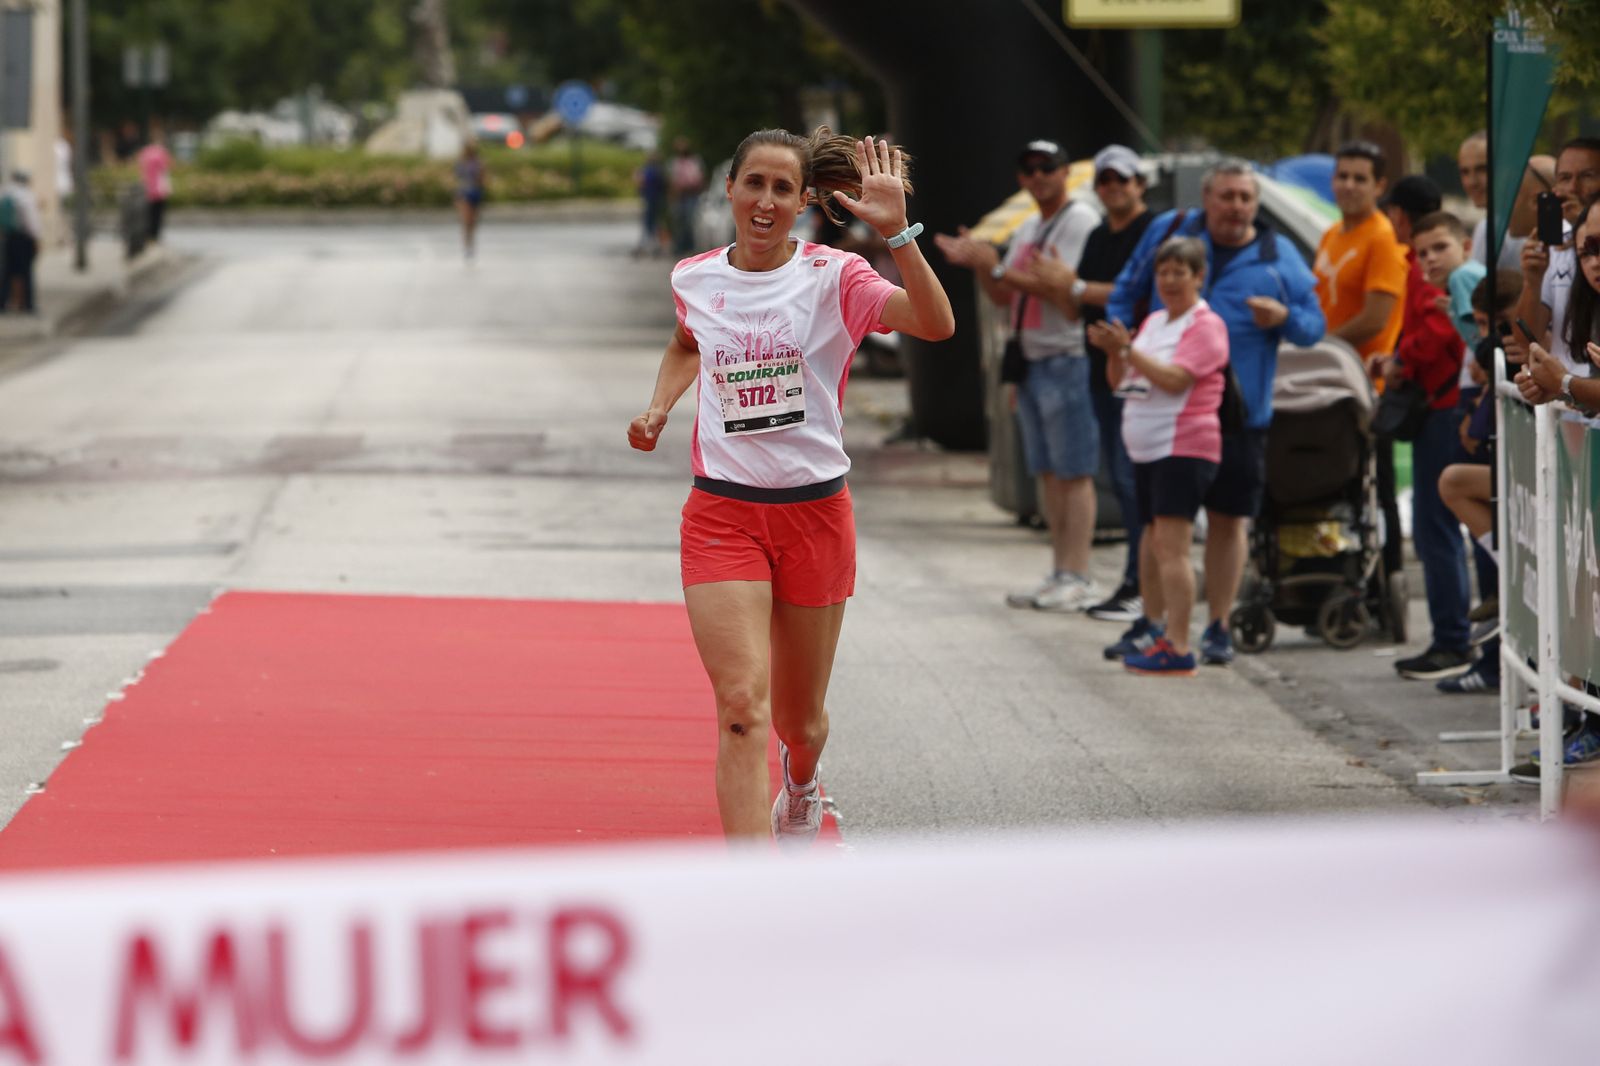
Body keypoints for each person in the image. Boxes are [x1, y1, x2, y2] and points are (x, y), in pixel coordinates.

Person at [626, 129, 954, 845]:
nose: (766, 201)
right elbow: (688, 343)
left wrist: (902, 236)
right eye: (754, 184)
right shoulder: (695, 278)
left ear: (806, 200)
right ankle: (754, 894)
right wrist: (660, 406)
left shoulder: (835, 277)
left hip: (814, 516)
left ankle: (801, 783)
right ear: (730, 190)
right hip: (722, 514)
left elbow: (935, 323)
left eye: (783, 188)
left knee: (798, 723)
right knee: (741, 704)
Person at [1105, 158, 1325, 666]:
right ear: (1206, 198)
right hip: (1164, 412)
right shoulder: (1173, 230)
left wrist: (1285, 316)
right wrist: (1120, 346)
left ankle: (1219, 626)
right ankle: (1153, 625)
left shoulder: (1278, 254)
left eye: (1246, 198)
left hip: (1239, 415)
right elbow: (1125, 290)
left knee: (1228, 521)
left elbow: (1314, 328)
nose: (1237, 207)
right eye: (1227, 196)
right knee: (1159, 526)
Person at [933, 140, 1102, 612]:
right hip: (1032, 357)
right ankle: (1060, 571)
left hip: (1067, 356)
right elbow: (1006, 294)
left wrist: (999, 265)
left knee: (1074, 472)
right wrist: (982, 266)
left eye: (1047, 166)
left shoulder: (1081, 220)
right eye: (1028, 169)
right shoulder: (1030, 224)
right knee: (1048, 473)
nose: (1038, 175)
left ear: (1065, 171)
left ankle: (1079, 573)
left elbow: (1061, 287)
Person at [1020, 143, 1155, 623]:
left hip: (1131, 368)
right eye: (1106, 180)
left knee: (1114, 478)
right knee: (1100, 475)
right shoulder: (1099, 233)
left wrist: (1068, 284)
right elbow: (1079, 302)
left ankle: (1130, 586)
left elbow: (1134, 292)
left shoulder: (1147, 229)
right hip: (1100, 366)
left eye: (1123, 179)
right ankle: (1094, 578)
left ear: (1140, 183)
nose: (1114, 187)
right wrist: (1064, 286)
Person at [1087, 237, 1228, 675]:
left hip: (1182, 447)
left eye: (1179, 272)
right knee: (1149, 543)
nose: (1168, 281)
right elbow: (1121, 383)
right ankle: (1153, 626)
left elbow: (1173, 379)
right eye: (1163, 272)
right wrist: (1116, 354)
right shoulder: (1155, 323)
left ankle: (1179, 643)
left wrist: (1128, 351)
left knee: (1172, 547)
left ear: (1198, 277)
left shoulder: (1206, 325)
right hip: (1149, 449)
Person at [1377, 176, 1473, 681]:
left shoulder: (1434, 273)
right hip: (1444, 404)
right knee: (1446, 528)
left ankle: (1452, 640)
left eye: (1442, 249)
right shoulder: (1429, 269)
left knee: (1437, 528)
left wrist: (1399, 360)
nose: (1431, 257)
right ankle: (1457, 637)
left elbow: (1436, 334)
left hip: (1444, 405)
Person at [1436, 271, 1522, 695]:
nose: (1488, 335)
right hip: (1514, 477)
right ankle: (1510, 574)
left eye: (1497, 324)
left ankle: (1512, 575)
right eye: (1482, 325)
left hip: (1537, 477)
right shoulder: (1493, 360)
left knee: (1453, 482)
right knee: (1454, 483)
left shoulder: (1519, 352)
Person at [1313, 141, 1408, 368]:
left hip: (1359, 379)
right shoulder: (1331, 233)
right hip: (1325, 370)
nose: (1349, 185)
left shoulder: (1384, 237)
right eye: (1342, 176)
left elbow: (1374, 321)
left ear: (1379, 186)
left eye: (1360, 179)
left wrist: (1320, 346)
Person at [1511, 138, 1600, 378]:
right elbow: (1527, 338)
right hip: (1568, 402)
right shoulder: (1551, 241)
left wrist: (1586, 224)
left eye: (1587, 175)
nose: (1573, 187)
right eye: (1564, 178)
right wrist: (1533, 281)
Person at [1456, 130, 1555, 272]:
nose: (1472, 182)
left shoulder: (1495, 228)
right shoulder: (1487, 227)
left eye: (1483, 169)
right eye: (1464, 172)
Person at [0, 170, 41, 314]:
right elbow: (32, 222)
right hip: (23, 238)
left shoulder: (5, 193)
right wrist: (36, 238)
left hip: (8, 237)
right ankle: (27, 304)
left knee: (7, 272)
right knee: (26, 272)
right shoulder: (26, 196)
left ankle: (3, 302)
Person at [668, 138, 706, 256]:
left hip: (691, 194)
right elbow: (672, 181)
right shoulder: (675, 163)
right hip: (680, 196)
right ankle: (679, 246)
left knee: (690, 221)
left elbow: (699, 178)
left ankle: (690, 246)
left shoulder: (694, 161)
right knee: (679, 221)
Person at [136, 133, 173, 243]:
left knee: (148, 214)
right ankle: (155, 236)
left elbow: (141, 168)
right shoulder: (162, 152)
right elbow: (166, 168)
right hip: (159, 189)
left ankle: (148, 235)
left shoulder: (144, 152)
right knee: (158, 214)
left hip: (147, 188)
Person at [631, 150, 668, 258]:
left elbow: (641, 183)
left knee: (649, 224)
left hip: (651, 200)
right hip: (656, 200)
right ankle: (652, 246)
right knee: (653, 223)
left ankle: (648, 246)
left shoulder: (650, 171)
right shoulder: (659, 170)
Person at [454, 142, 485, 259]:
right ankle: (467, 246)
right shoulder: (461, 163)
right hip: (464, 194)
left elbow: (483, 179)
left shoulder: (478, 163)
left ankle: (471, 244)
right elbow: (457, 177)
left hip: (475, 192)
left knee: (473, 222)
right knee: (466, 221)